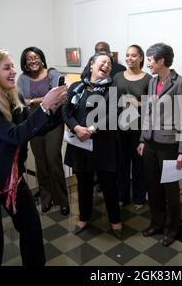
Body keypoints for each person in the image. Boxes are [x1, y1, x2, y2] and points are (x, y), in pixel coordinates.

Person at [0, 46, 67, 266]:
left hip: (12, 180)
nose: (13, 72)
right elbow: (13, 135)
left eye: (13, 67)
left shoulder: (13, 95)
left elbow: (31, 124)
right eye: (7, 68)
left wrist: (53, 108)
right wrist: (45, 107)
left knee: (32, 229)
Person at [62, 51, 123, 238]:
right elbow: (66, 111)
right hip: (80, 144)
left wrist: (90, 129)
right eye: (103, 62)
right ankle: (84, 217)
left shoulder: (114, 89)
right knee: (84, 184)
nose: (107, 66)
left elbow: (113, 115)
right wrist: (76, 128)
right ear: (91, 65)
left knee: (109, 186)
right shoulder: (76, 87)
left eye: (110, 64)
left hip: (104, 145)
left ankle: (115, 221)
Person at [137, 43, 182, 247]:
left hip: (170, 144)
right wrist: (143, 139)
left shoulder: (181, 83)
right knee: (153, 186)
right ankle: (157, 223)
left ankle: (172, 228)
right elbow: (148, 112)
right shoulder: (152, 82)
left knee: (170, 189)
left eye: (150, 60)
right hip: (150, 143)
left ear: (161, 61)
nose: (148, 63)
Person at [17, 47, 70, 216]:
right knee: (41, 164)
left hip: (53, 124)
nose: (32, 61)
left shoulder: (52, 74)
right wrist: (44, 99)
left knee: (53, 159)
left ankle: (62, 200)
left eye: (36, 57)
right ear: (25, 63)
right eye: (29, 59)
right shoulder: (23, 79)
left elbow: (60, 94)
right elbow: (20, 101)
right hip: (34, 126)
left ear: (41, 59)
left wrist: (33, 101)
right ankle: (46, 199)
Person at [113, 45, 151, 210]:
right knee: (121, 163)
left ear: (141, 58)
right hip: (120, 127)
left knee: (139, 164)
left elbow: (154, 104)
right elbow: (111, 100)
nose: (129, 58)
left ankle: (139, 198)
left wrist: (139, 103)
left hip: (139, 128)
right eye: (127, 55)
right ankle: (122, 196)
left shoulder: (148, 79)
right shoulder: (118, 77)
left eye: (134, 55)